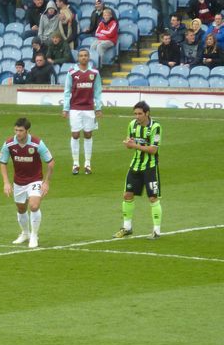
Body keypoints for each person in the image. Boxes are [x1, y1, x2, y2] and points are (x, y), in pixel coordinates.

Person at [0, 117, 54, 249]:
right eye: (16, 130)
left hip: (35, 180)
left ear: (27, 131)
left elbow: (50, 163)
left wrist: (46, 182)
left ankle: (34, 235)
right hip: (19, 182)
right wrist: (6, 182)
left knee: (34, 206)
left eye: (21, 130)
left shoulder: (37, 143)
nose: (18, 133)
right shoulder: (9, 144)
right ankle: (25, 233)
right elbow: (2, 162)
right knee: (21, 209)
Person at [114, 102, 163, 239]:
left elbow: (153, 150)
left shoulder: (155, 127)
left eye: (139, 114)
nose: (137, 116)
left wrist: (134, 145)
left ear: (147, 113)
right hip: (135, 165)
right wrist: (128, 144)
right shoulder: (132, 125)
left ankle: (156, 231)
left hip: (150, 167)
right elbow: (130, 145)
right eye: (135, 114)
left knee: (153, 198)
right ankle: (127, 228)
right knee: (127, 195)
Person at [62, 48, 102, 175]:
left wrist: (99, 108)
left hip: (89, 108)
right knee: (75, 134)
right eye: (81, 56)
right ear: (78, 58)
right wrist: (65, 108)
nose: (83, 57)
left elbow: (98, 91)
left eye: (85, 55)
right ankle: (75, 163)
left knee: (88, 134)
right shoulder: (72, 73)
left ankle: (88, 163)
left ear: (89, 57)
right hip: (75, 108)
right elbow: (67, 91)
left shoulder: (94, 73)